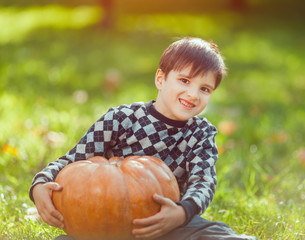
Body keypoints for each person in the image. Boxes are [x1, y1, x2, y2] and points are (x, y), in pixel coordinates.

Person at [29, 37, 257, 240]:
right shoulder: (120, 119)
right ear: (160, 78)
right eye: (185, 81)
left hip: (168, 223)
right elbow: (72, 161)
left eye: (205, 89)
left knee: (213, 231)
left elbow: (203, 182)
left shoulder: (201, 133)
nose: (193, 94)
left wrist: (181, 212)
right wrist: (39, 185)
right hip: (107, 222)